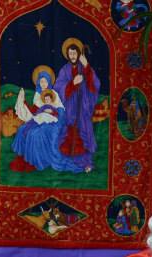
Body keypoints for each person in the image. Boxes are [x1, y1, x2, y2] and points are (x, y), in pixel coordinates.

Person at [57, 38, 100, 171]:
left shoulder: (84, 68)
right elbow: (58, 87)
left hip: (83, 107)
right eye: (70, 54)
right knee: (69, 133)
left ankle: (86, 162)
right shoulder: (64, 70)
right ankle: (68, 160)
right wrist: (72, 83)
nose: (72, 56)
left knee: (84, 133)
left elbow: (95, 84)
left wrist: (86, 66)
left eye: (75, 53)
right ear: (67, 55)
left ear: (79, 54)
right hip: (69, 107)